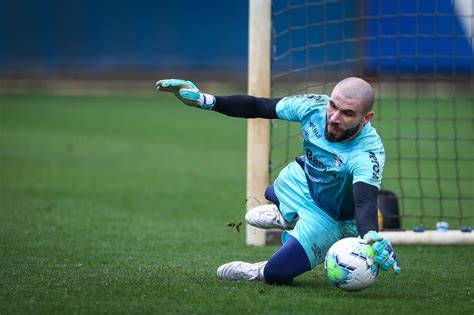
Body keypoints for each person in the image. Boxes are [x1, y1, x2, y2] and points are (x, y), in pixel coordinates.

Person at [155, 78, 400, 285]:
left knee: (277, 274)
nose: (334, 118)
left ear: (366, 118)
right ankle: (285, 216)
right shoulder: (313, 107)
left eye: (347, 114)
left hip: (333, 217)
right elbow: (259, 106)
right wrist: (204, 100)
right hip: (303, 182)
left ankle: (258, 270)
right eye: (333, 106)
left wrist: (369, 237)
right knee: (271, 190)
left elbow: (364, 202)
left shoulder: (367, 154)